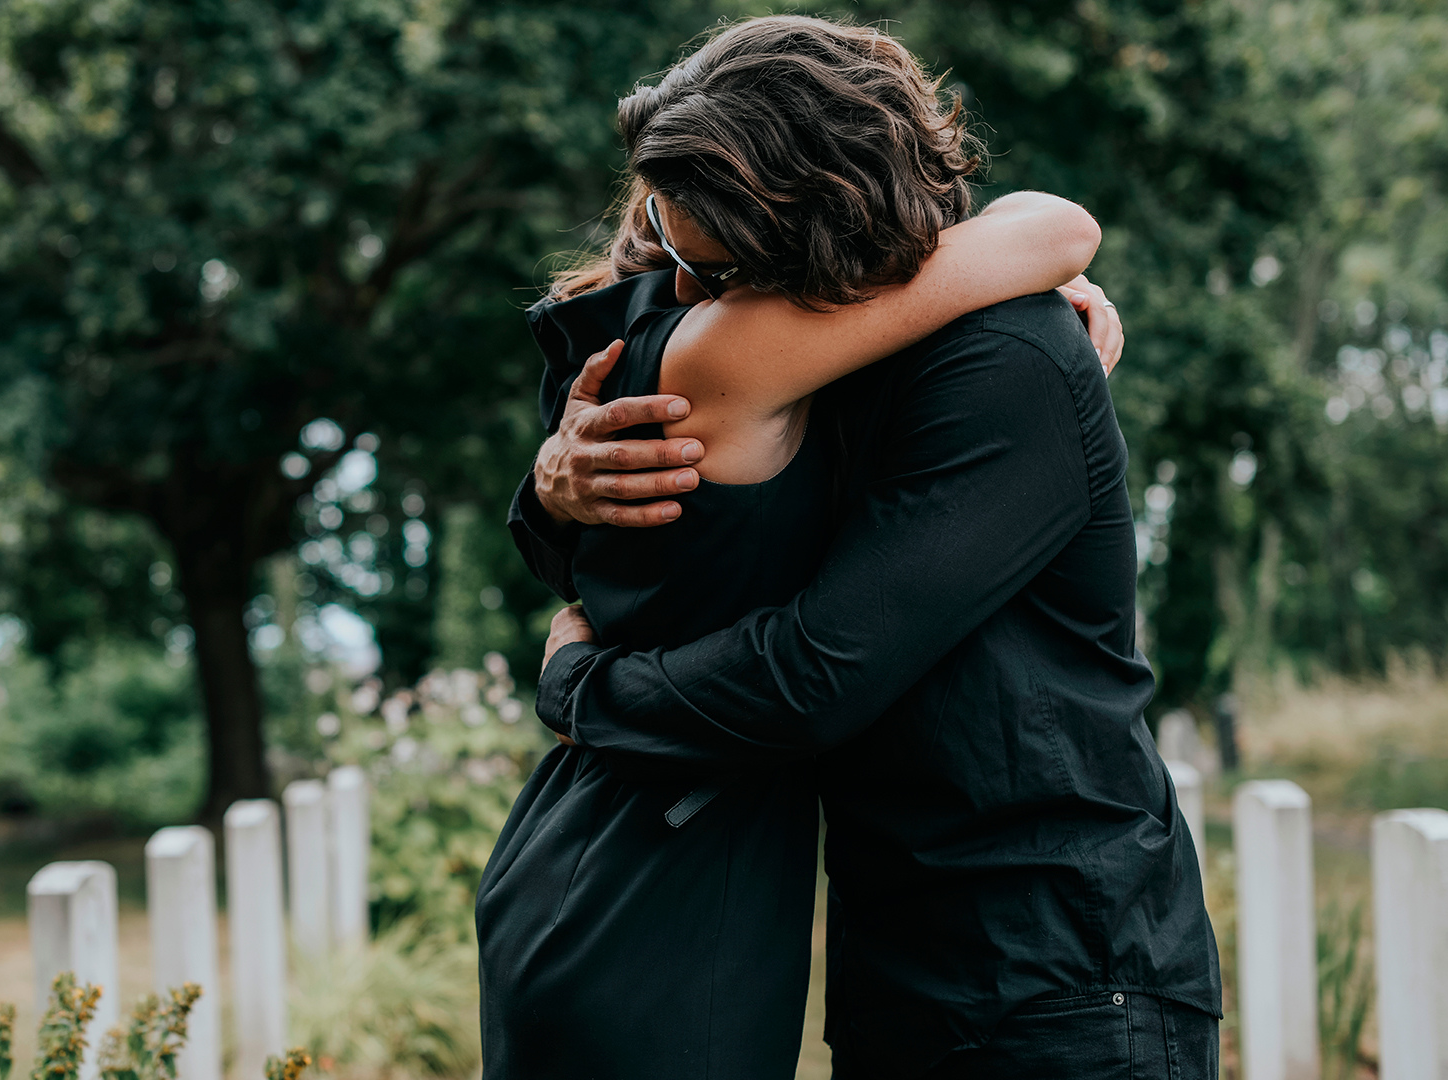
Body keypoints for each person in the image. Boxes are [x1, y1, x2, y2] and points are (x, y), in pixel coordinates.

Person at [477, 16, 1192, 1080]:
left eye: (711, 267)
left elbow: (815, 674)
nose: (682, 295)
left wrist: (585, 689)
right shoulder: (826, 361)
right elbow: (687, 565)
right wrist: (554, 486)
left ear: (814, 224)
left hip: (1062, 975)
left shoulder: (1008, 356)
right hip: (896, 959)